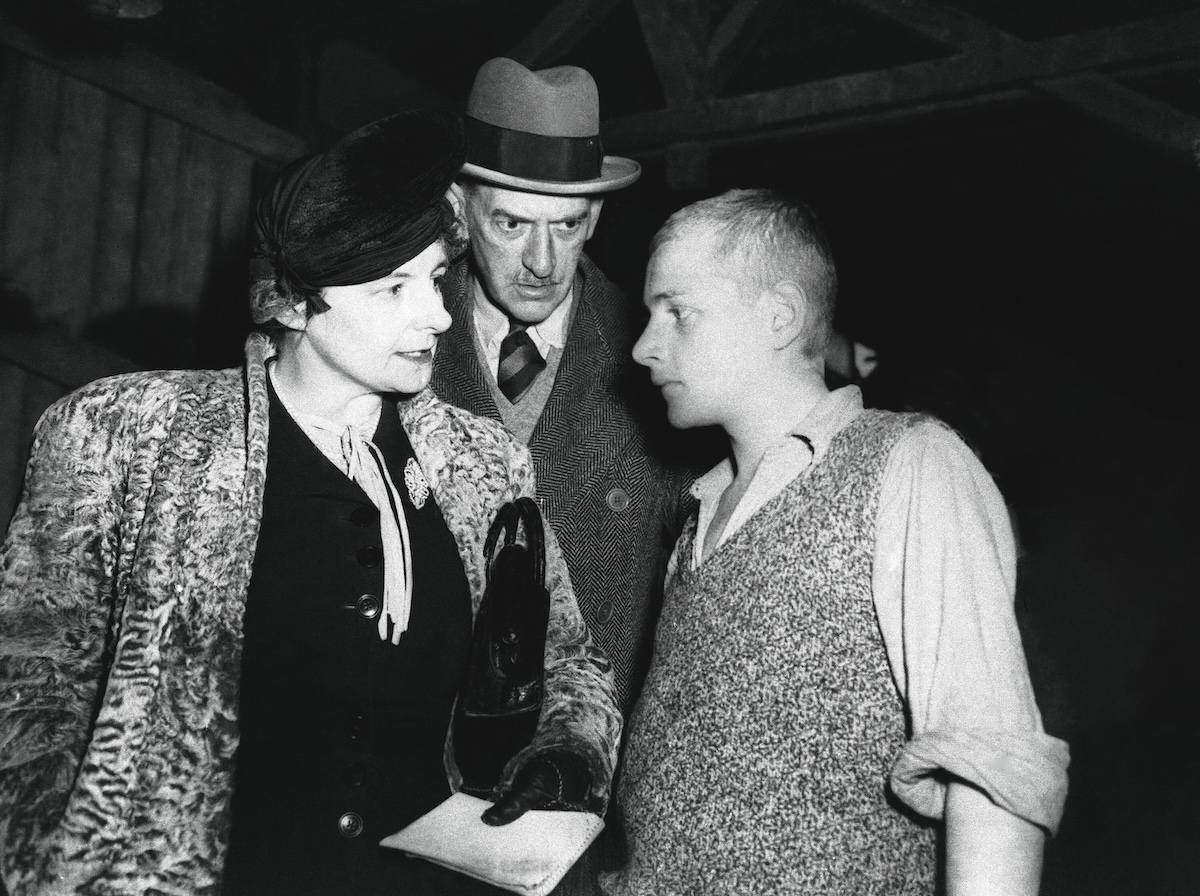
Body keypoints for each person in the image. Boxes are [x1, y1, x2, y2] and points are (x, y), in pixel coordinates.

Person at [0, 108, 621, 896]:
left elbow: (566, 658)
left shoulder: (484, 464)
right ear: (292, 303)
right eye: (394, 288)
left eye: (433, 280)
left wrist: (564, 754)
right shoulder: (126, 436)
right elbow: (30, 696)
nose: (434, 315)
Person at [601, 189, 1070, 895]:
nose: (642, 346)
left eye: (677, 312)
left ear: (779, 316)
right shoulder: (697, 518)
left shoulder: (910, 465)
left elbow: (993, 767)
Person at [432, 58, 699, 721]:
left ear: (597, 216)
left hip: (585, 774)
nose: (543, 264)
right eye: (512, 224)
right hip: (412, 767)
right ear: (458, 210)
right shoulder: (390, 337)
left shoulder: (666, 369)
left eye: (568, 225)